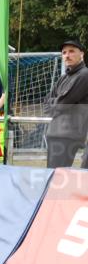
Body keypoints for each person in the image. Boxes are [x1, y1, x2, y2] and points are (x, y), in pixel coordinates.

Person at [44, 39, 88, 168]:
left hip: (68, 135)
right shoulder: (64, 77)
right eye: (64, 52)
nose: (67, 55)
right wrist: (56, 102)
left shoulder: (84, 75)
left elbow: (63, 104)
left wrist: (56, 102)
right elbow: (46, 103)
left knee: (57, 178)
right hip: (55, 133)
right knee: (53, 176)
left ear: (82, 54)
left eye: (71, 51)